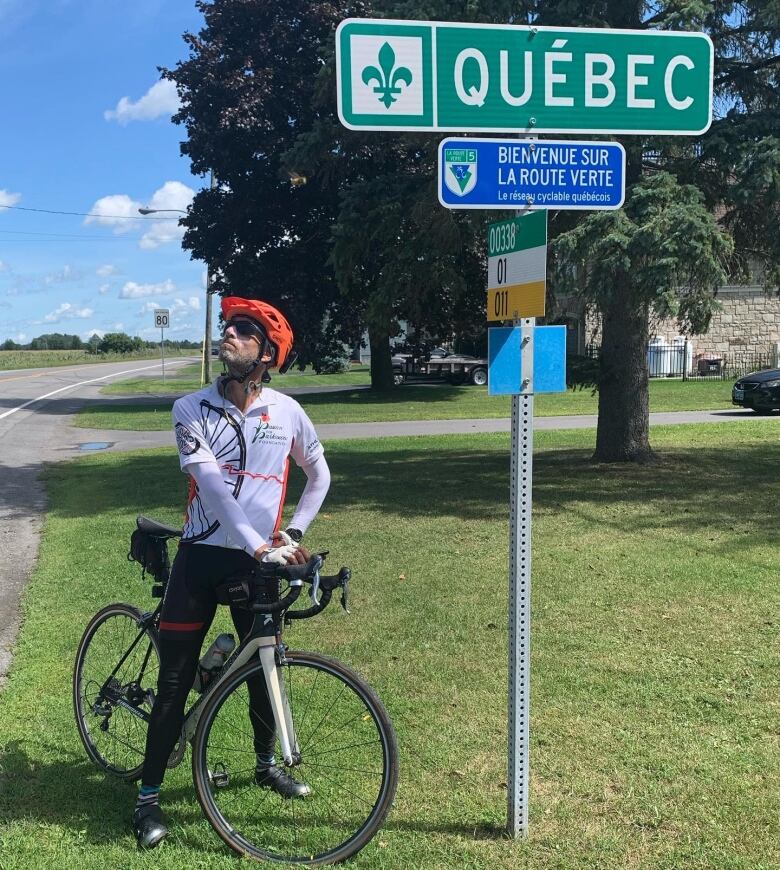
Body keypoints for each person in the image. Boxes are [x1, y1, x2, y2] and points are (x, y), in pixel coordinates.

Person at [132, 296, 331, 849]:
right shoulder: (189, 408)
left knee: (265, 670)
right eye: (229, 327)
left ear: (267, 353)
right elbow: (213, 489)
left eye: (244, 331)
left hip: (260, 558)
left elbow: (319, 476)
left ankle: (266, 765)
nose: (230, 335)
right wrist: (258, 546)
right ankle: (147, 799)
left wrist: (292, 535)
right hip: (203, 558)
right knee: (173, 682)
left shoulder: (288, 412)